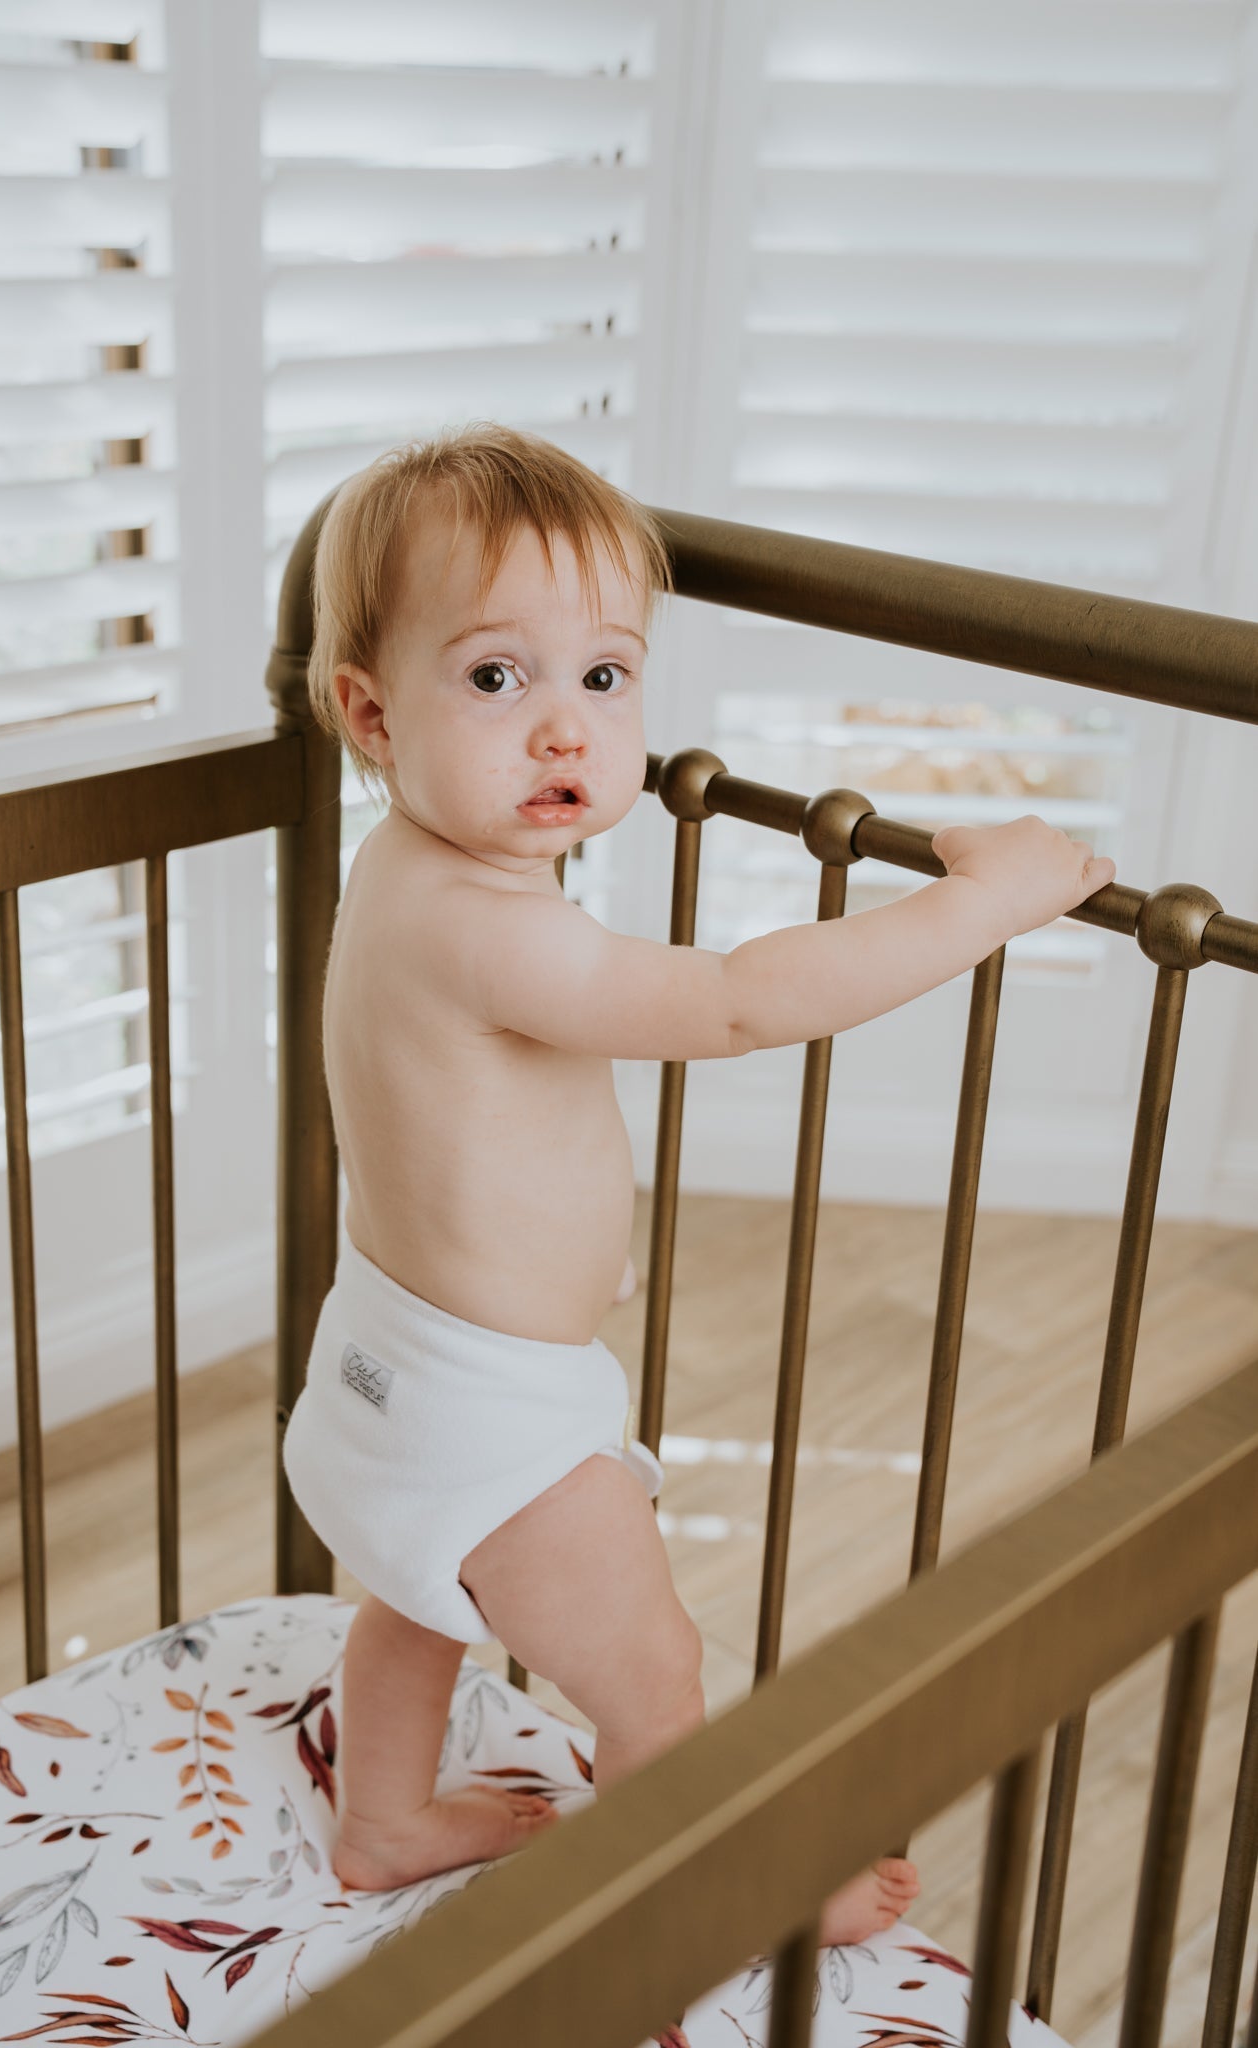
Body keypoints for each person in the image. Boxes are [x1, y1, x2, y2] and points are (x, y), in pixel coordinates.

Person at [280, 425, 1114, 2023]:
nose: (560, 730)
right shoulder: (481, 930)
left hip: (386, 1363)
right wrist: (980, 899)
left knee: (408, 1597)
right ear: (370, 711)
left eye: (603, 679)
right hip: (493, 1412)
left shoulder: (400, 873)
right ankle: (697, 1893)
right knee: (652, 1674)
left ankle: (383, 1820)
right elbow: (738, 1003)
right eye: (494, 679)